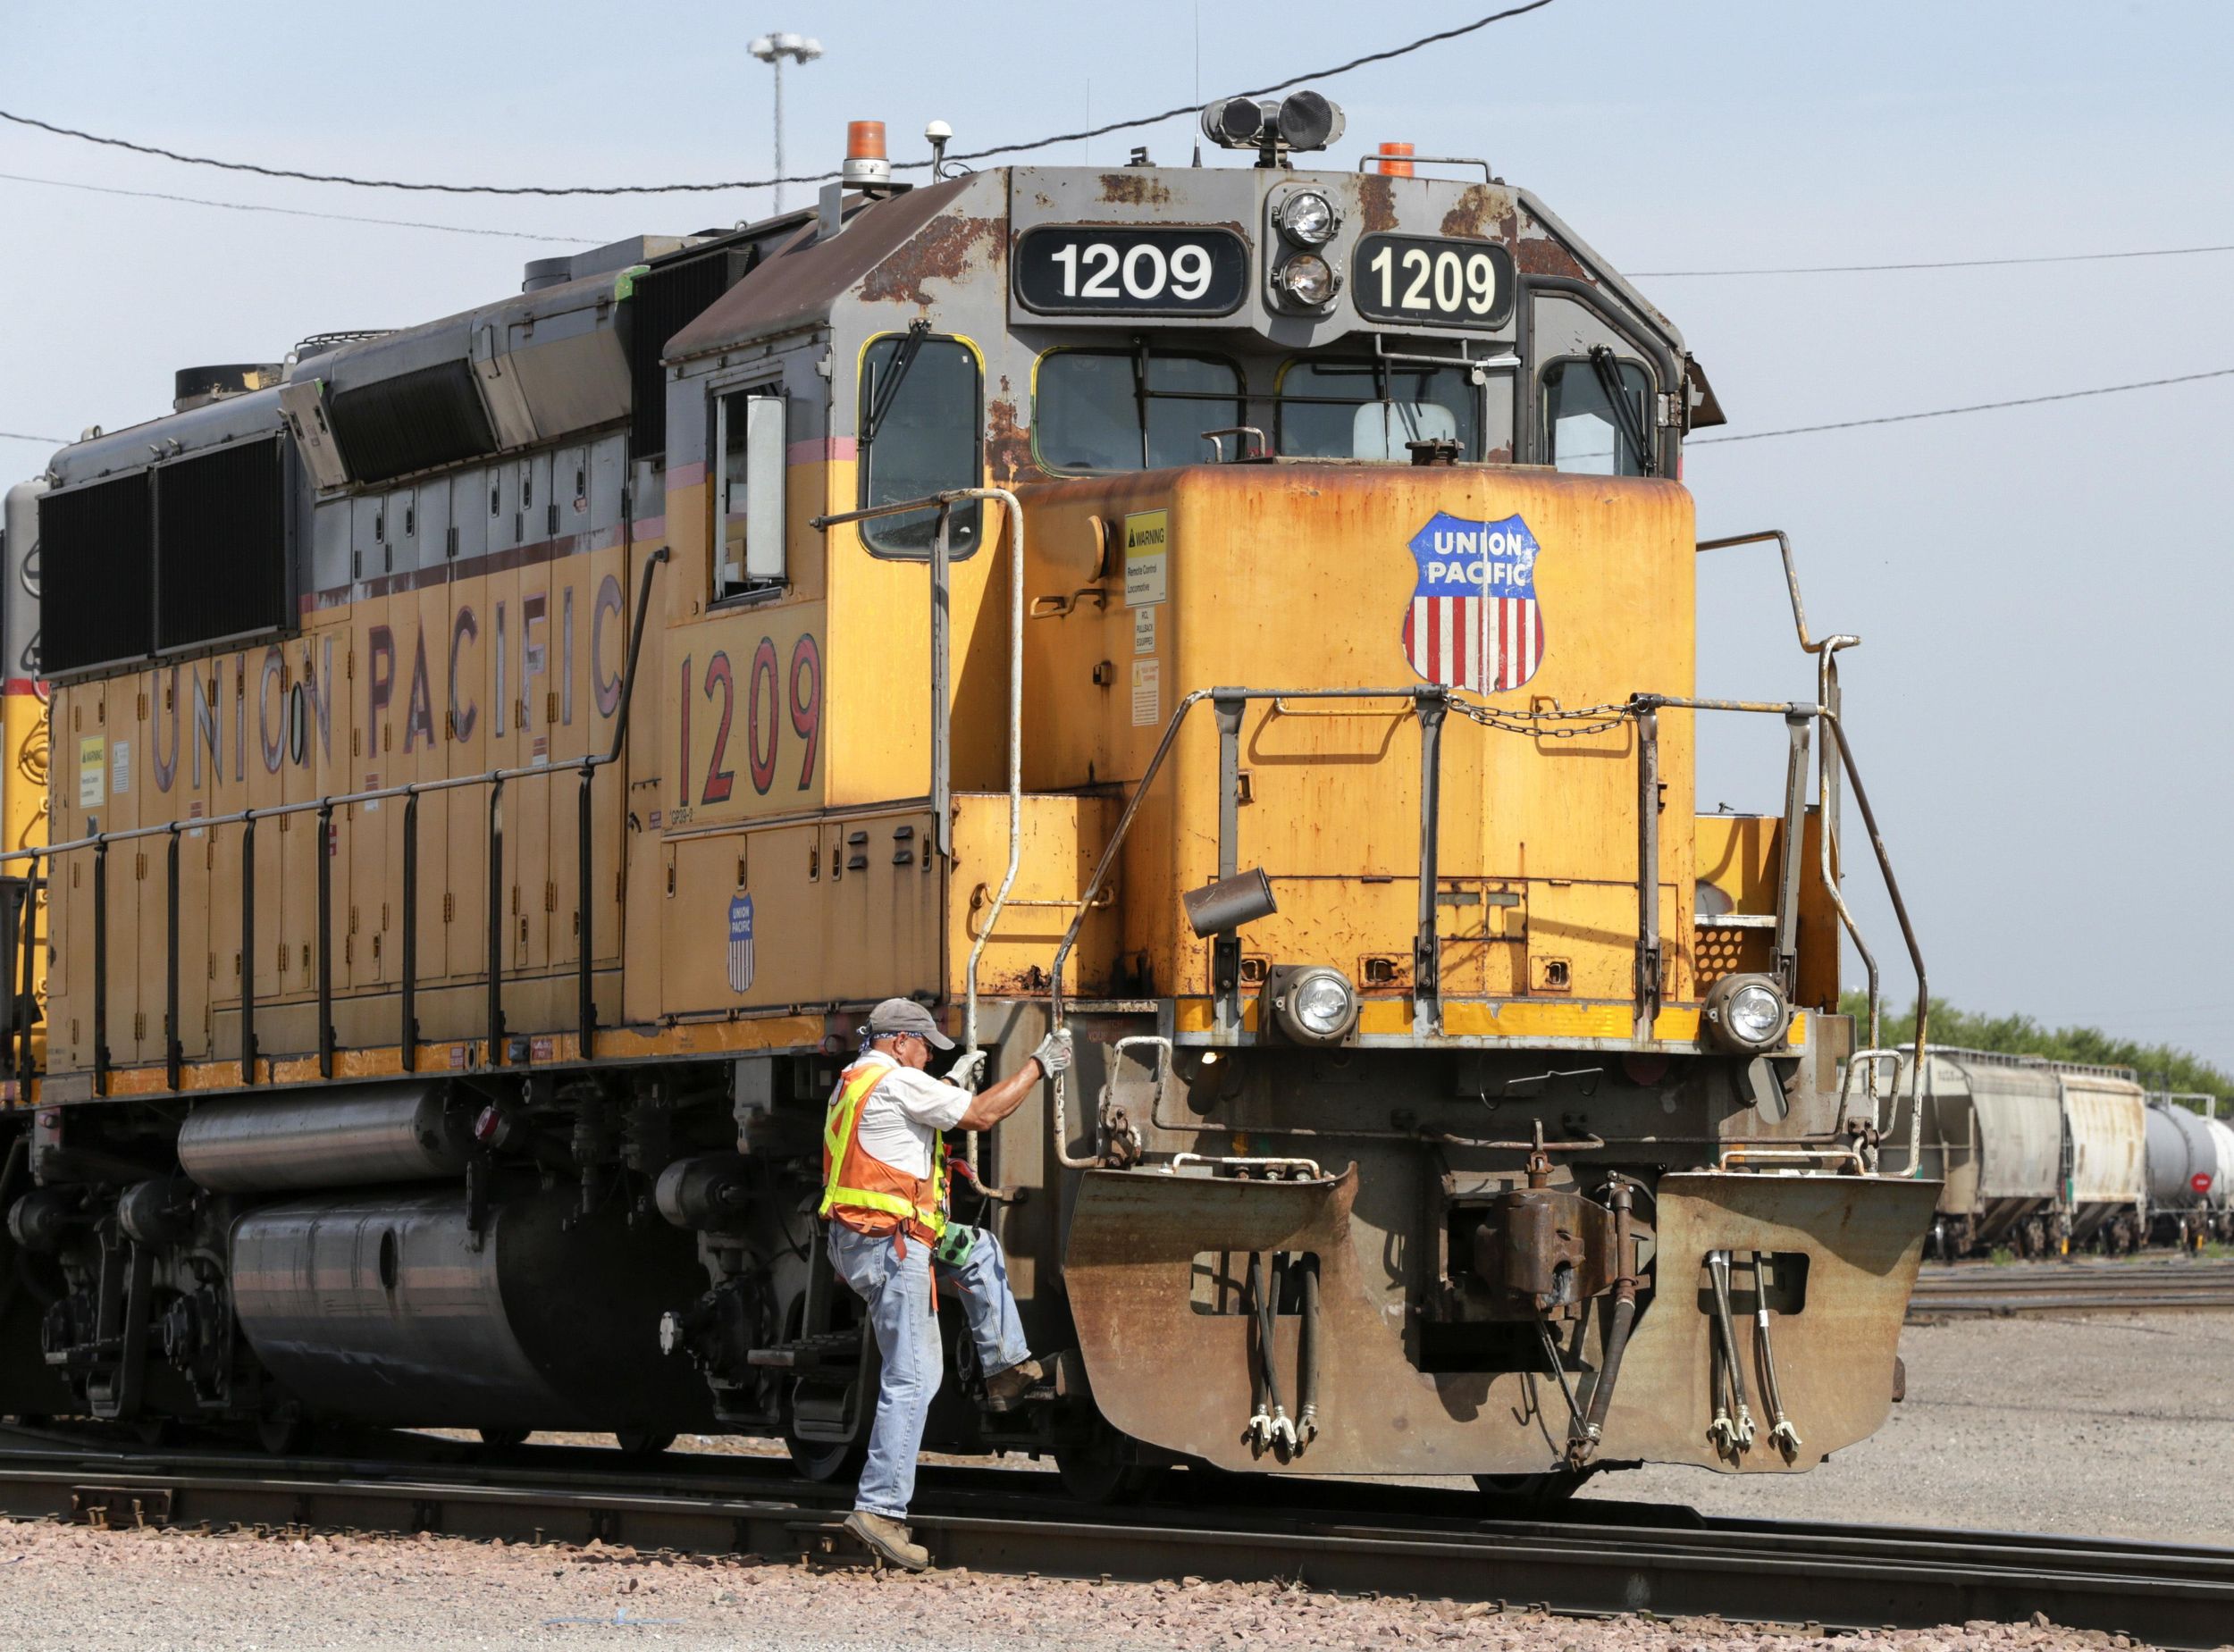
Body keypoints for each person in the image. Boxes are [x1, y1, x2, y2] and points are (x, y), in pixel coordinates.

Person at [820, 997, 1072, 1572]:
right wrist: (1037, 1065)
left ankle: (1006, 1368)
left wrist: (946, 1085)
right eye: (925, 1046)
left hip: (871, 1237)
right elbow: (982, 1115)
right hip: (891, 1244)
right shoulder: (895, 1083)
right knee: (914, 1376)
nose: (931, 1055)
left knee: (979, 1250)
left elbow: (900, 1139)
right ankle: (879, 1511)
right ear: (899, 1041)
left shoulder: (856, 1080)